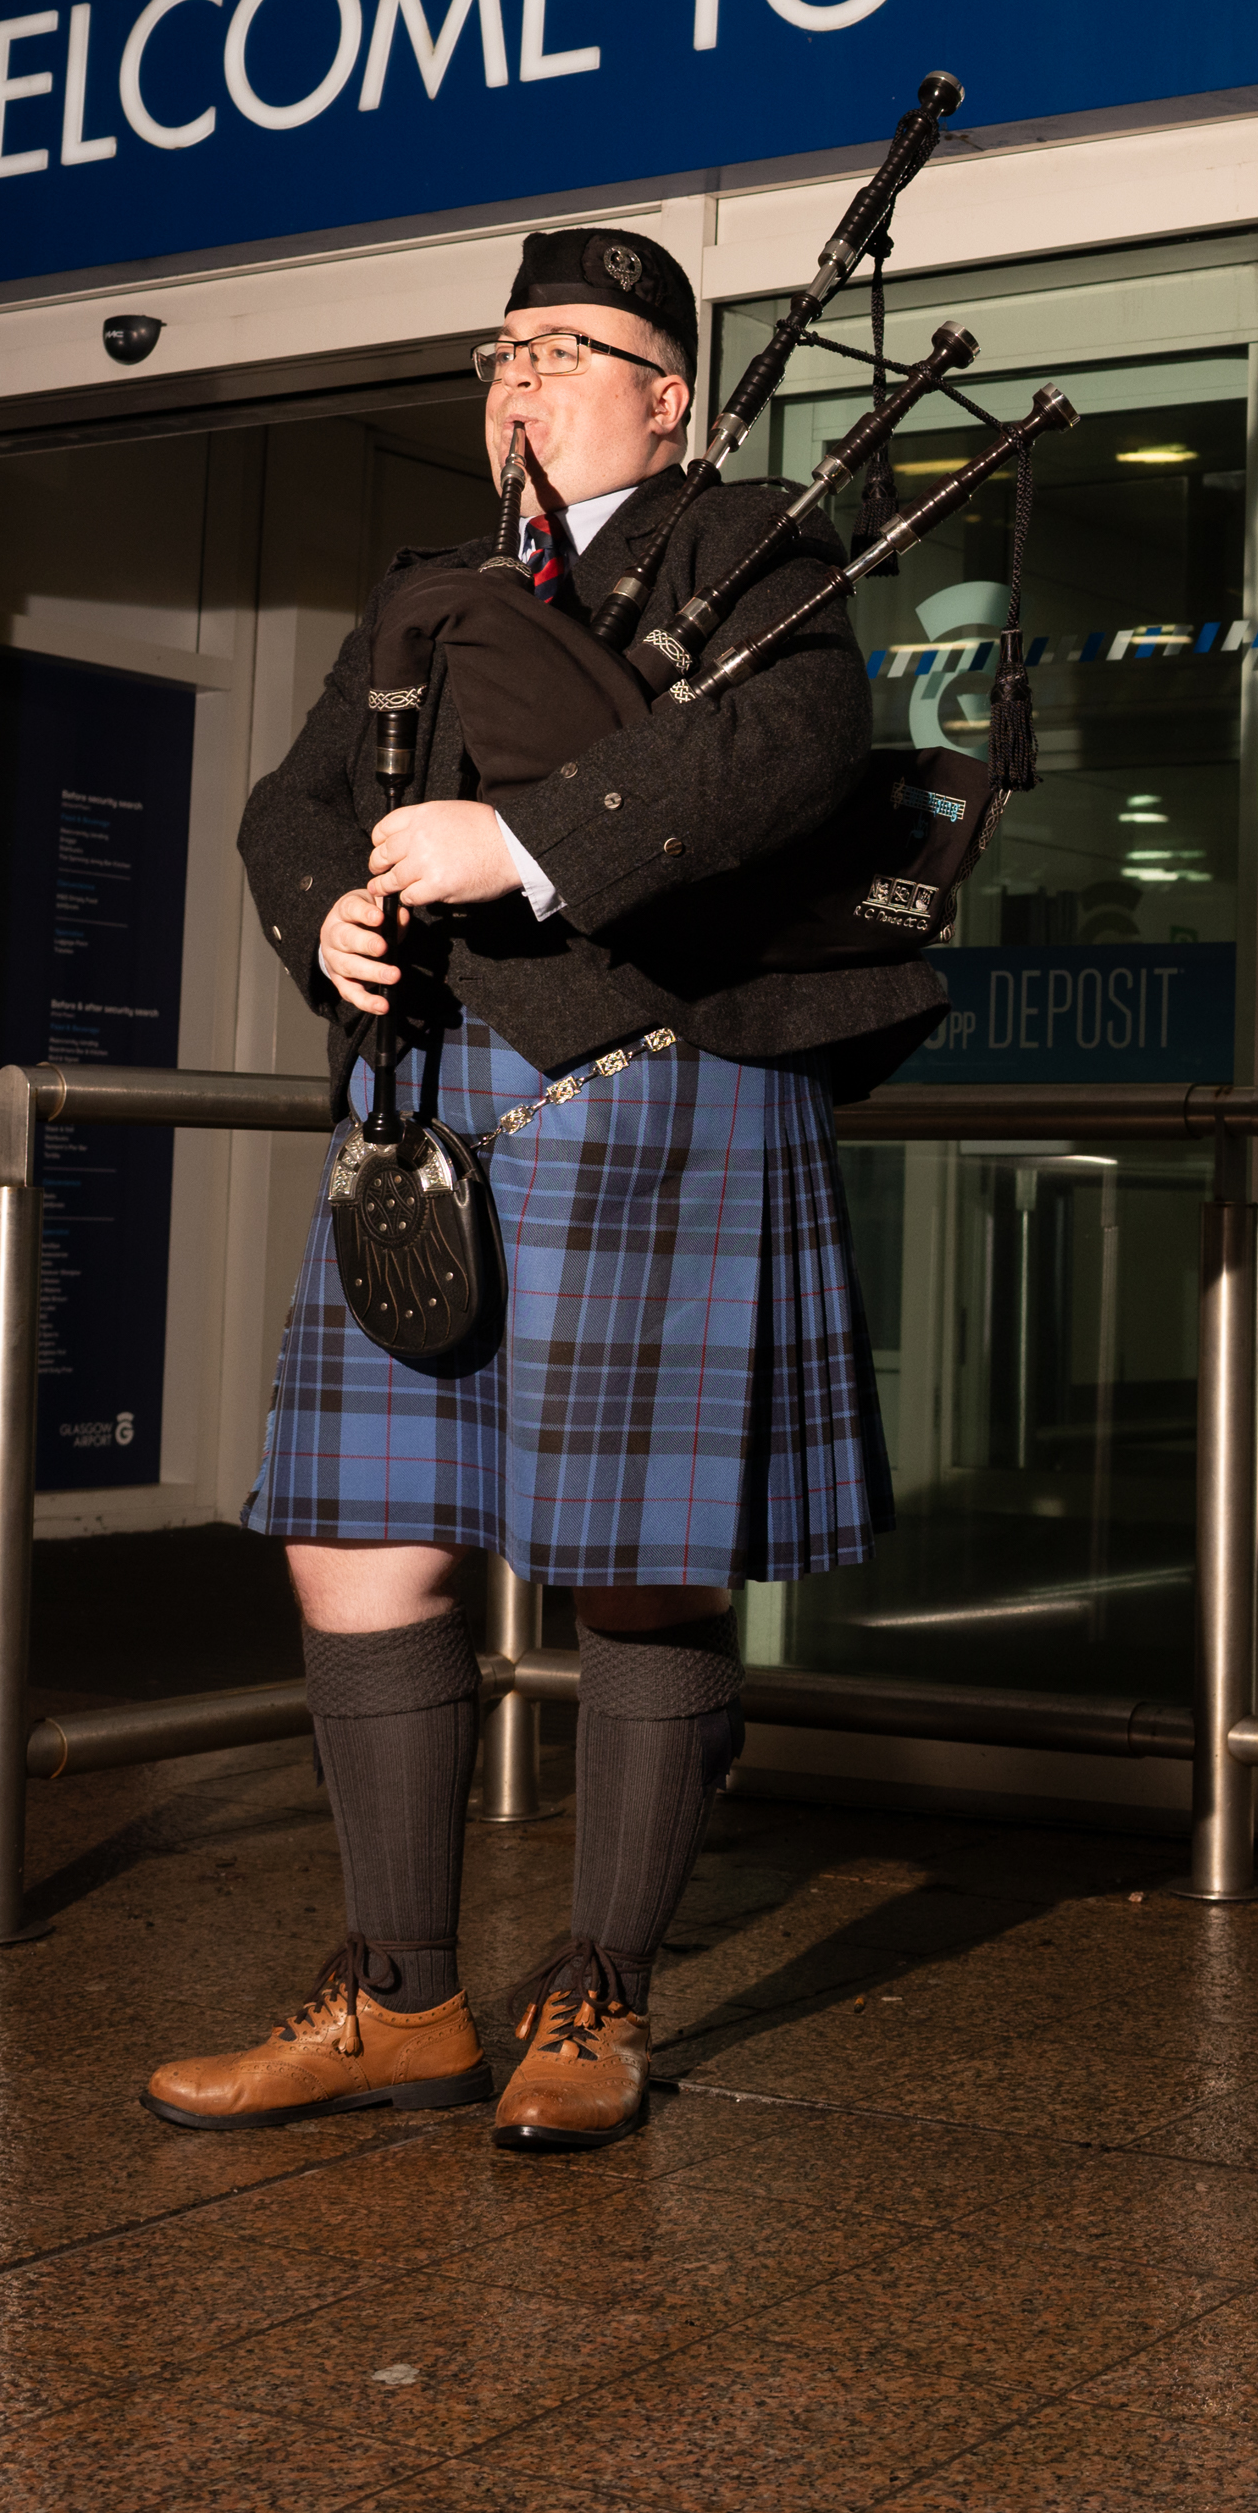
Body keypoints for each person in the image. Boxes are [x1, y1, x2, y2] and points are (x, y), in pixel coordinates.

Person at [143, 227, 940, 2148]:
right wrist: (318, 906)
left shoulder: (752, 540)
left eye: (565, 350)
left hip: (664, 1093)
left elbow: (788, 749)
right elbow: (291, 801)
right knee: (356, 1545)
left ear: (667, 393)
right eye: (498, 350)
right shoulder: (433, 588)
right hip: (436, 1109)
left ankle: (599, 1997)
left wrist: (526, 840)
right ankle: (403, 1997)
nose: (517, 379)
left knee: (641, 1575)